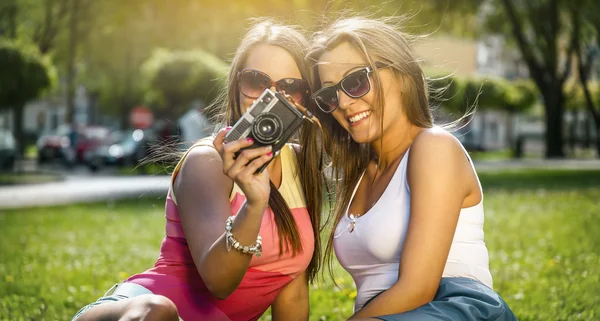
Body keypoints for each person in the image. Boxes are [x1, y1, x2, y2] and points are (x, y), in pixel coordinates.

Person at [72, 19, 324, 321]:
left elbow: (291, 289)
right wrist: (255, 204)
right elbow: (219, 282)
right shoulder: (206, 161)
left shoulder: (302, 165)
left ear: (305, 98)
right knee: (157, 312)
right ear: (237, 86)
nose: (270, 99)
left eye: (289, 87)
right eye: (257, 82)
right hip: (143, 310)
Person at [308, 17, 517, 320]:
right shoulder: (357, 174)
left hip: (455, 308)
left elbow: (418, 288)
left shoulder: (434, 147)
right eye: (329, 94)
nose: (343, 102)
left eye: (355, 81)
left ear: (402, 74)